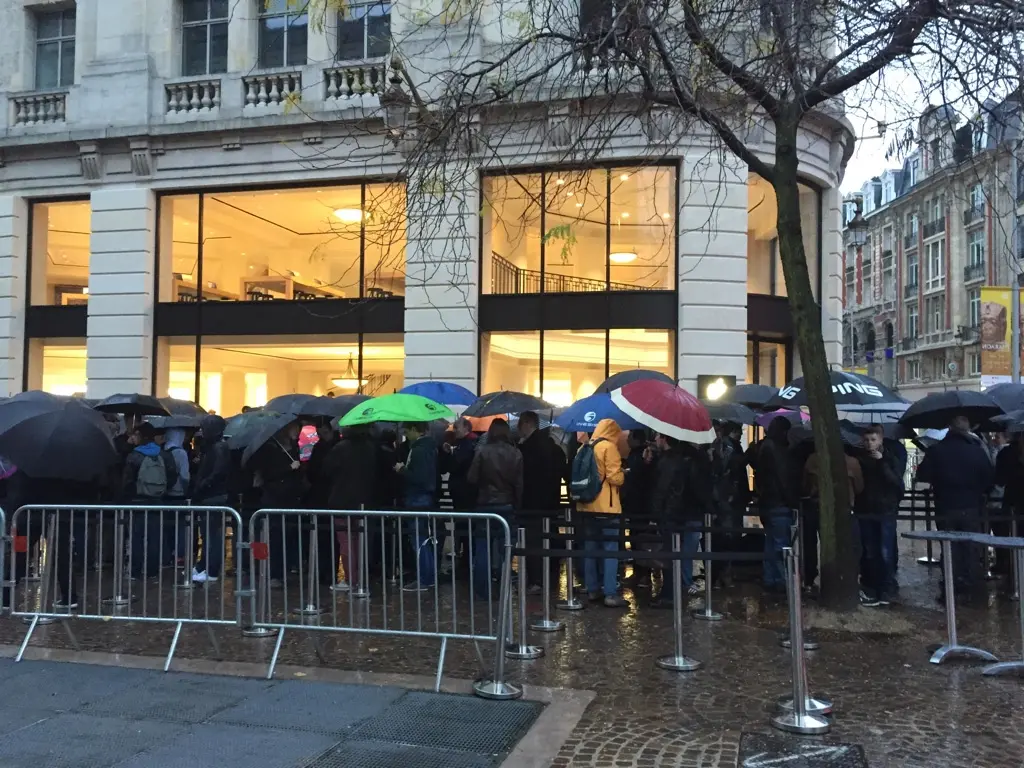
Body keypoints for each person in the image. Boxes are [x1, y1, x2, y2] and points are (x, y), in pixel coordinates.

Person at [917, 414, 995, 596]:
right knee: (970, 546)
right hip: (971, 506)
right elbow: (989, 478)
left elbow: (923, 475)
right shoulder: (977, 451)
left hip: (945, 506)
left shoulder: (937, 450)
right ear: (968, 430)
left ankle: (951, 587)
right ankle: (970, 585)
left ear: (949, 428)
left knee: (948, 547)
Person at [467, 418, 523, 598]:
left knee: (483, 548)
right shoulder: (516, 453)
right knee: (506, 548)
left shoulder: (482, 451)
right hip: (507, 504)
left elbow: (472, 478)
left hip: (485, 504)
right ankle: (505, 585)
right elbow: (519, 484)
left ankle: (482, 590)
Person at [576, 418, 628, 607]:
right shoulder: (608, 448)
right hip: (607, 508)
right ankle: (610, 593)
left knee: (590, 549)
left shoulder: (584, 447)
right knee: (610, 549)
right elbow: (615, 478)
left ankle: (592, 589)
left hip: (586, 506)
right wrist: (623, 473)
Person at [802, 439, 864, 592]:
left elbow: (804, 485)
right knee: (843, 546)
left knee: (810, 545)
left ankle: (809, 580)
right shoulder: (852, 463)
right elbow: (860, 487)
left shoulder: (812, 460)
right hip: (842, 508)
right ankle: (839, 579)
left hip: (815, 506)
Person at [324, 424, 379, 592]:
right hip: (365, 500)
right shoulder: (370, 448)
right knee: (362, 540)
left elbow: (326, 471)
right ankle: (362, 577)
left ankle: (351, 579)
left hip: (342, 500)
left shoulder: (340, 448)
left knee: (346, 541)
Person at [121, 422, 179, 579]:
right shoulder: (164, 455)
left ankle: (135, 571)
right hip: (157, 500)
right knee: (155, 537)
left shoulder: (134, 455)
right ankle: (153, 571)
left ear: (140, 436)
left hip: (137, 501)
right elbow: (173, 476)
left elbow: (127, 480)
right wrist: (162, 489)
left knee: (136, 537)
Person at [855, 424, 905, 606]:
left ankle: (886, 587)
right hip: (866, 510)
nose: (869, 444)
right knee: (870, 551)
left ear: (881, 440)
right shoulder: (860, 459)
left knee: (885, 551)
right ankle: (872, 586)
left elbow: (896, 484)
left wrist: (882, 462)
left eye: (873, 440)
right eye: (867, 440)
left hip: (885, 510)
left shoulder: (890, 458)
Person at [517, 410, 566, 593]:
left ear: (528, 424)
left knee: (533, 542)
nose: (519, 428)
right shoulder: (555, 449)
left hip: (532, 503)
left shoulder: (527, 448)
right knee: (550, 537)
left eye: (521, 424)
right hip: (552, 502)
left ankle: (536, 580)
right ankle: (552, 575)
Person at [754, 416, 797, 593]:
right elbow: (783, 479)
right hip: (779, 502)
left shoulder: (764, 447)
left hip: (768, 502)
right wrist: (792, 501)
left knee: (771, 542)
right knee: (780, 544)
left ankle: (770, 578)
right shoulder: (776, 449)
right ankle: (782, 581)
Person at [396, 422, 438, 591]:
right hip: (424, 497)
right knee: (423, 539)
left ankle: (424, 578)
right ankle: (428, 576)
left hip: (417, 498)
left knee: (419, 540)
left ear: (414, 430)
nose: (406, 434)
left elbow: (418, 477)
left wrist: (402, 470)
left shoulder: (419, 450)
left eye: (407, 430)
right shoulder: (430, 448)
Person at [190, 415, 232, 583]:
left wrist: (203, 485)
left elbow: (217, 472)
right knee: (208, 534)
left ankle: (211, 569)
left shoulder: (219, 448)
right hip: (210, 495)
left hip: (213, 496)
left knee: (212, 535)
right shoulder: (212, 447)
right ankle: (204, 565)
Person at [709, 421, 749, 588]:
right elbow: (729, 471)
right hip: (728, 500)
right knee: (727, 537)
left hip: (725, 499)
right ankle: (723, 574)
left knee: (722, 537)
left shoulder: (722, 447)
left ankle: (720, 574)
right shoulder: (727, 447)